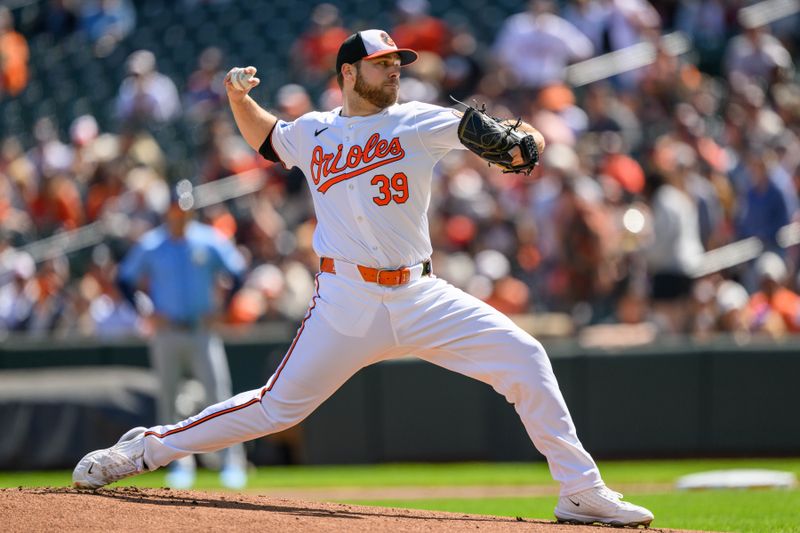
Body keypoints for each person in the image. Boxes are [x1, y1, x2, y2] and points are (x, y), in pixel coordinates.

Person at [72, 29, 654, 527]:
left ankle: (580, 491)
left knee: (525, 357)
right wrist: (235, 97)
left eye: (398, 63)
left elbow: (517, 139)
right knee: (277, 409)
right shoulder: (315, 131)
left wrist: (522, 140)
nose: (395, 71)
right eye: (382, 63)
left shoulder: (418, 120)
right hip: (346, 298)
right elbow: (268, 139)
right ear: (349, 72)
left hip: (420, 293)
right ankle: (144, 450)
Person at [114, 182, 249, 489]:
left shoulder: (207, 239)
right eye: (176, 209)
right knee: (169, 401)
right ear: (168, 211)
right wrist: (144, 311)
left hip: (201, 331)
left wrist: (224, 308)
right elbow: (124, 280)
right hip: (167, 332)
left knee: (220, 396)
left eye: (184, 209)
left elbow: (239, 272)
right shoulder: (153, 244)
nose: (180, 215)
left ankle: (232, 462)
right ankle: (178, 464)